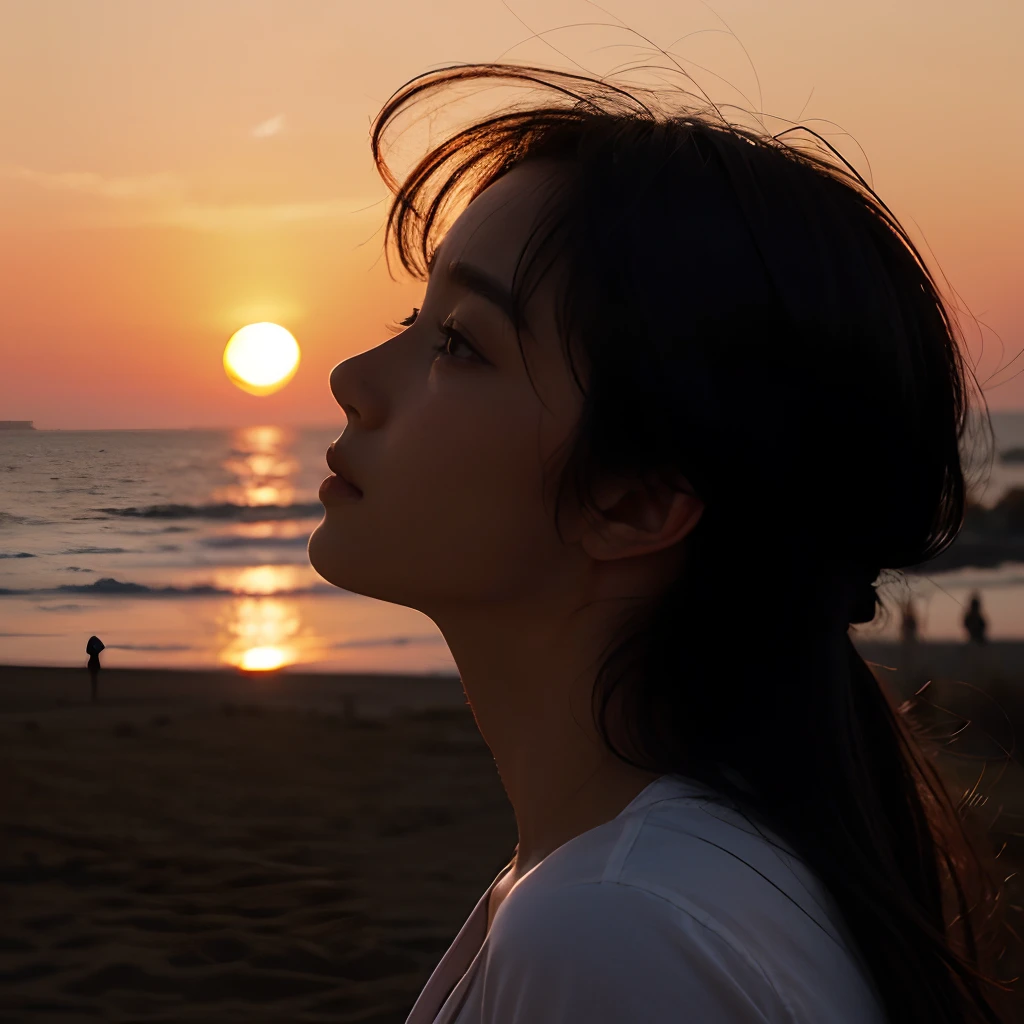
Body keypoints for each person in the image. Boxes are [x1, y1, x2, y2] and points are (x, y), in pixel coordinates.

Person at [308, 63, 1015, 1023]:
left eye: (459, 343)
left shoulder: (614, 929)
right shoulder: (658, 881)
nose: (353, 376)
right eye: (413, 320)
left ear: (636, 502)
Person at [86, 635, 104, 702]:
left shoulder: (94, 651)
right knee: (94, 680)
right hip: (94, 663)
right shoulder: (94, 652)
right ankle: (94, 696)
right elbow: (102, 647)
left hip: (94, 663)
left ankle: (94, 696)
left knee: (94, 680)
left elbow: (102, 647)